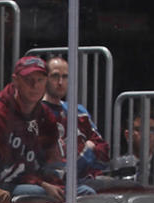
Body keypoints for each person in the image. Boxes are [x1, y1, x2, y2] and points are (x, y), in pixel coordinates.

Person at [0, 55, 63, 203]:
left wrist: (55, 181)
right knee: (40, 195)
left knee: (82, 192)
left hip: (37, 181)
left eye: (40, 80)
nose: (35, 85)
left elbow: (53, 159)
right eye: (28, 80)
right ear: (15, 81)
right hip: (3, 185)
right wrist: (42, 184)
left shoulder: (45, 115)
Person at [40, 55, 109, 188]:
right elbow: (59, 167)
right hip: (63, 184)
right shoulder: (38, 113)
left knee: (131, 189)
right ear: (45, 78)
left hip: (89, 178)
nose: (60, 82)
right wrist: (88, 150)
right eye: (55, 76)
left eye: (65, 77)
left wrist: (84, 158)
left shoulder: (79, 111)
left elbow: (104, 152)